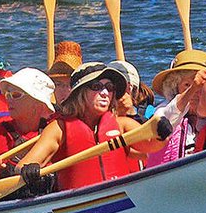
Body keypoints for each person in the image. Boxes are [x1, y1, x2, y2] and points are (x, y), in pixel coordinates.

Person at [16, 62, 171, 192]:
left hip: (120, 195)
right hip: (78, 204)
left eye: (110, 88)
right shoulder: (59, 128)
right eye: (97, 86)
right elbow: (22, 165)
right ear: (80, 92)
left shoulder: (122, 124)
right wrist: (28, 170)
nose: (105, 93)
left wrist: (161, 134)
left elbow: (152, 146)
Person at [144, 48, 206, 167]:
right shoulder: (162, 110)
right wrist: (192, 89)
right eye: (187, 84)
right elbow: (164, 123)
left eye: (200, 85)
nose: (196, 90)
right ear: (175, 87)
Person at [0, 68, 56, 154]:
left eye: (16, 95)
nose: (9, 99)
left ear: (38, 103)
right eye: (7, 94)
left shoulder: (55, 133)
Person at [47, 39, 83, 105]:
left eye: (70, 84)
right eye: (59, 84)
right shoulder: (45, 113)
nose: (65, 91)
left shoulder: (92, 113)